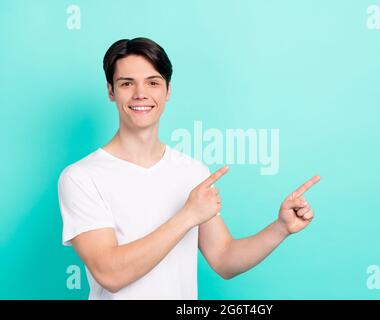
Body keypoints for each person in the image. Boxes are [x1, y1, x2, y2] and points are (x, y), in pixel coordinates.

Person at [57, 37, 321, 299]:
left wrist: (281, 228)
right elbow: (110, 273)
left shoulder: (192, 172)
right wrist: (188, 216)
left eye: (153, 82)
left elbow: (224, 259)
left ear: (167, 91)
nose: (141, 94)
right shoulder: (81, 177)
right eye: (127, 83)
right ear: (111, 91)